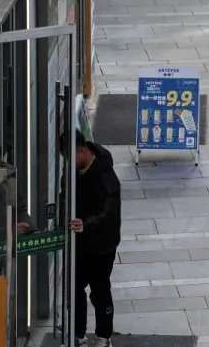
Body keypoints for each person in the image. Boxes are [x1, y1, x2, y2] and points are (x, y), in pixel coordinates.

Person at [70, 131, 120, 347]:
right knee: (75, 289)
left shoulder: (105, 174)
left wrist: (86, 224)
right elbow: (65, 198)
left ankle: (103, 335)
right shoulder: (71, 172)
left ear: (83, 151)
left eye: (71, 156)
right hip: (78, 245)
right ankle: (78, 333)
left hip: (102, 246)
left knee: (100, 290)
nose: (68, 162)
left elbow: (109, 212)